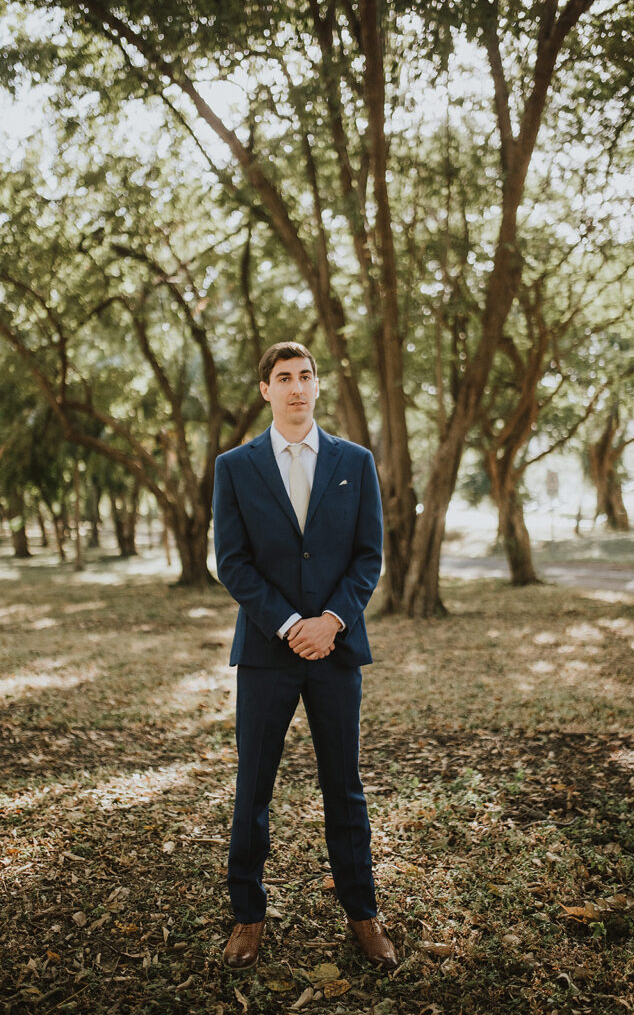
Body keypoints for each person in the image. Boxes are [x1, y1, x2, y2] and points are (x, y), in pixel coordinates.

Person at [212, 341, 397, 971]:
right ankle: (247, 916)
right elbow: (231, 562)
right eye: (284, 378)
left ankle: (364, 914)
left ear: (318, 386)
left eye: (306, 376)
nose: (297, 387)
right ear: (265, 390)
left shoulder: (356, 460)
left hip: (337, 651)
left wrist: (332, 621)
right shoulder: (235, 467)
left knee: (344, 787)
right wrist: (292, 624)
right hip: (267, 653)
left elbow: (368, 555)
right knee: (253, 788)